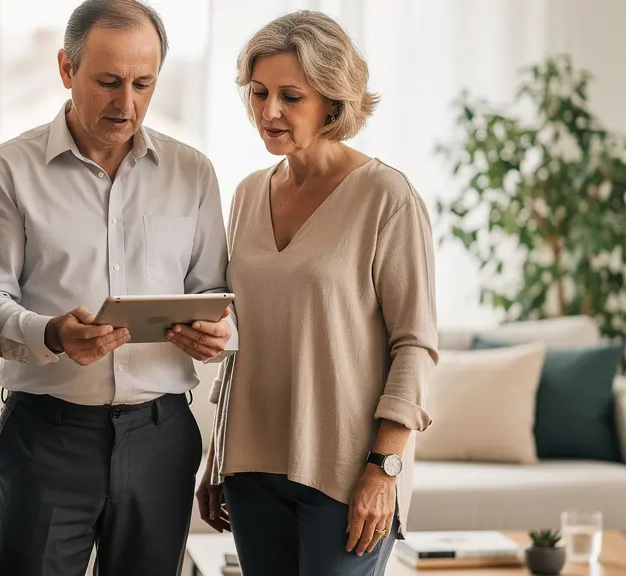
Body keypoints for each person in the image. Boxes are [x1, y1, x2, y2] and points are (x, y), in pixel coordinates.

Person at [0, 1, 237, 574]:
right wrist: (53, 334)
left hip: (161, 435)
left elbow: (213, 288)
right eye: (108, 82)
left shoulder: (193, 173)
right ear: (66, 69)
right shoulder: (6, 172)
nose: (127, 103)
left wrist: (215, 331)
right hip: (47, 435)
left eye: (144, 83)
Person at [196, 10, 439, 576]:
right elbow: (245, 337)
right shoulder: (248, 194)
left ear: (332, 102)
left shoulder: (387, 197)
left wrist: (385, 468)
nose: (269, 112)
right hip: (252, 466)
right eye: (258, 93)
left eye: (290, 96)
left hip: (346, 469)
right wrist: (219, 454)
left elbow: (415, 345)